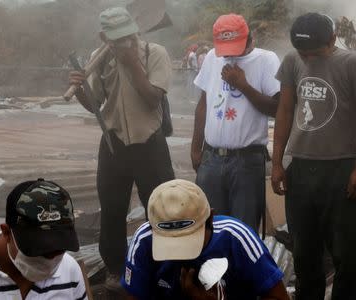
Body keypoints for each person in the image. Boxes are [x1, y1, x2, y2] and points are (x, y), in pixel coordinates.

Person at [271, 13, 356, 300]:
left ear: (331, 39)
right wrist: (278, 162)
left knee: (346, 255)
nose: (307, 58)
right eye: (302, 52)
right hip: (301, 171)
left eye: (313, 52)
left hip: (341, 170)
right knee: (305, 254)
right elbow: (284, 110)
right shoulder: (293, 61)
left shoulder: (353, 63)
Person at [68, 6, 175, 289]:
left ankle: (166, 269)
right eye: (116, 38)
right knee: (113, 210)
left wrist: (132, 64)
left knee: (162, 209)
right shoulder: (99, 59)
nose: (124, 42)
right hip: (114, 143)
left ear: (134, 30)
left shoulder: (155, 53)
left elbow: (153, 99)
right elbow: (94, 106)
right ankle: (116, 269)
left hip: (150, 143)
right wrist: (80, 88)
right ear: (105, 37)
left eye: (128, 35)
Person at [122, 179, 290, 300]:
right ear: (153, 229)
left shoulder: (236, 238)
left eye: (188, 241)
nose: (181, 255)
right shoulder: (144, 241)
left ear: (210, 219)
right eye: (171, 245)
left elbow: (280, 297)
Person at [191, 13, 281, 231]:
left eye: (236, 46)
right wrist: (196, 147)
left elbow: (277, 109)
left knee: (243, 231)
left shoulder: (266, 60)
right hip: (211, 159)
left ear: (250, 39)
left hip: (246, 162)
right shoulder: (213, 57)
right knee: (210, 230)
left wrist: (243, 85)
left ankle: (240, 267)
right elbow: (203, 104)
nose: (230, 54)